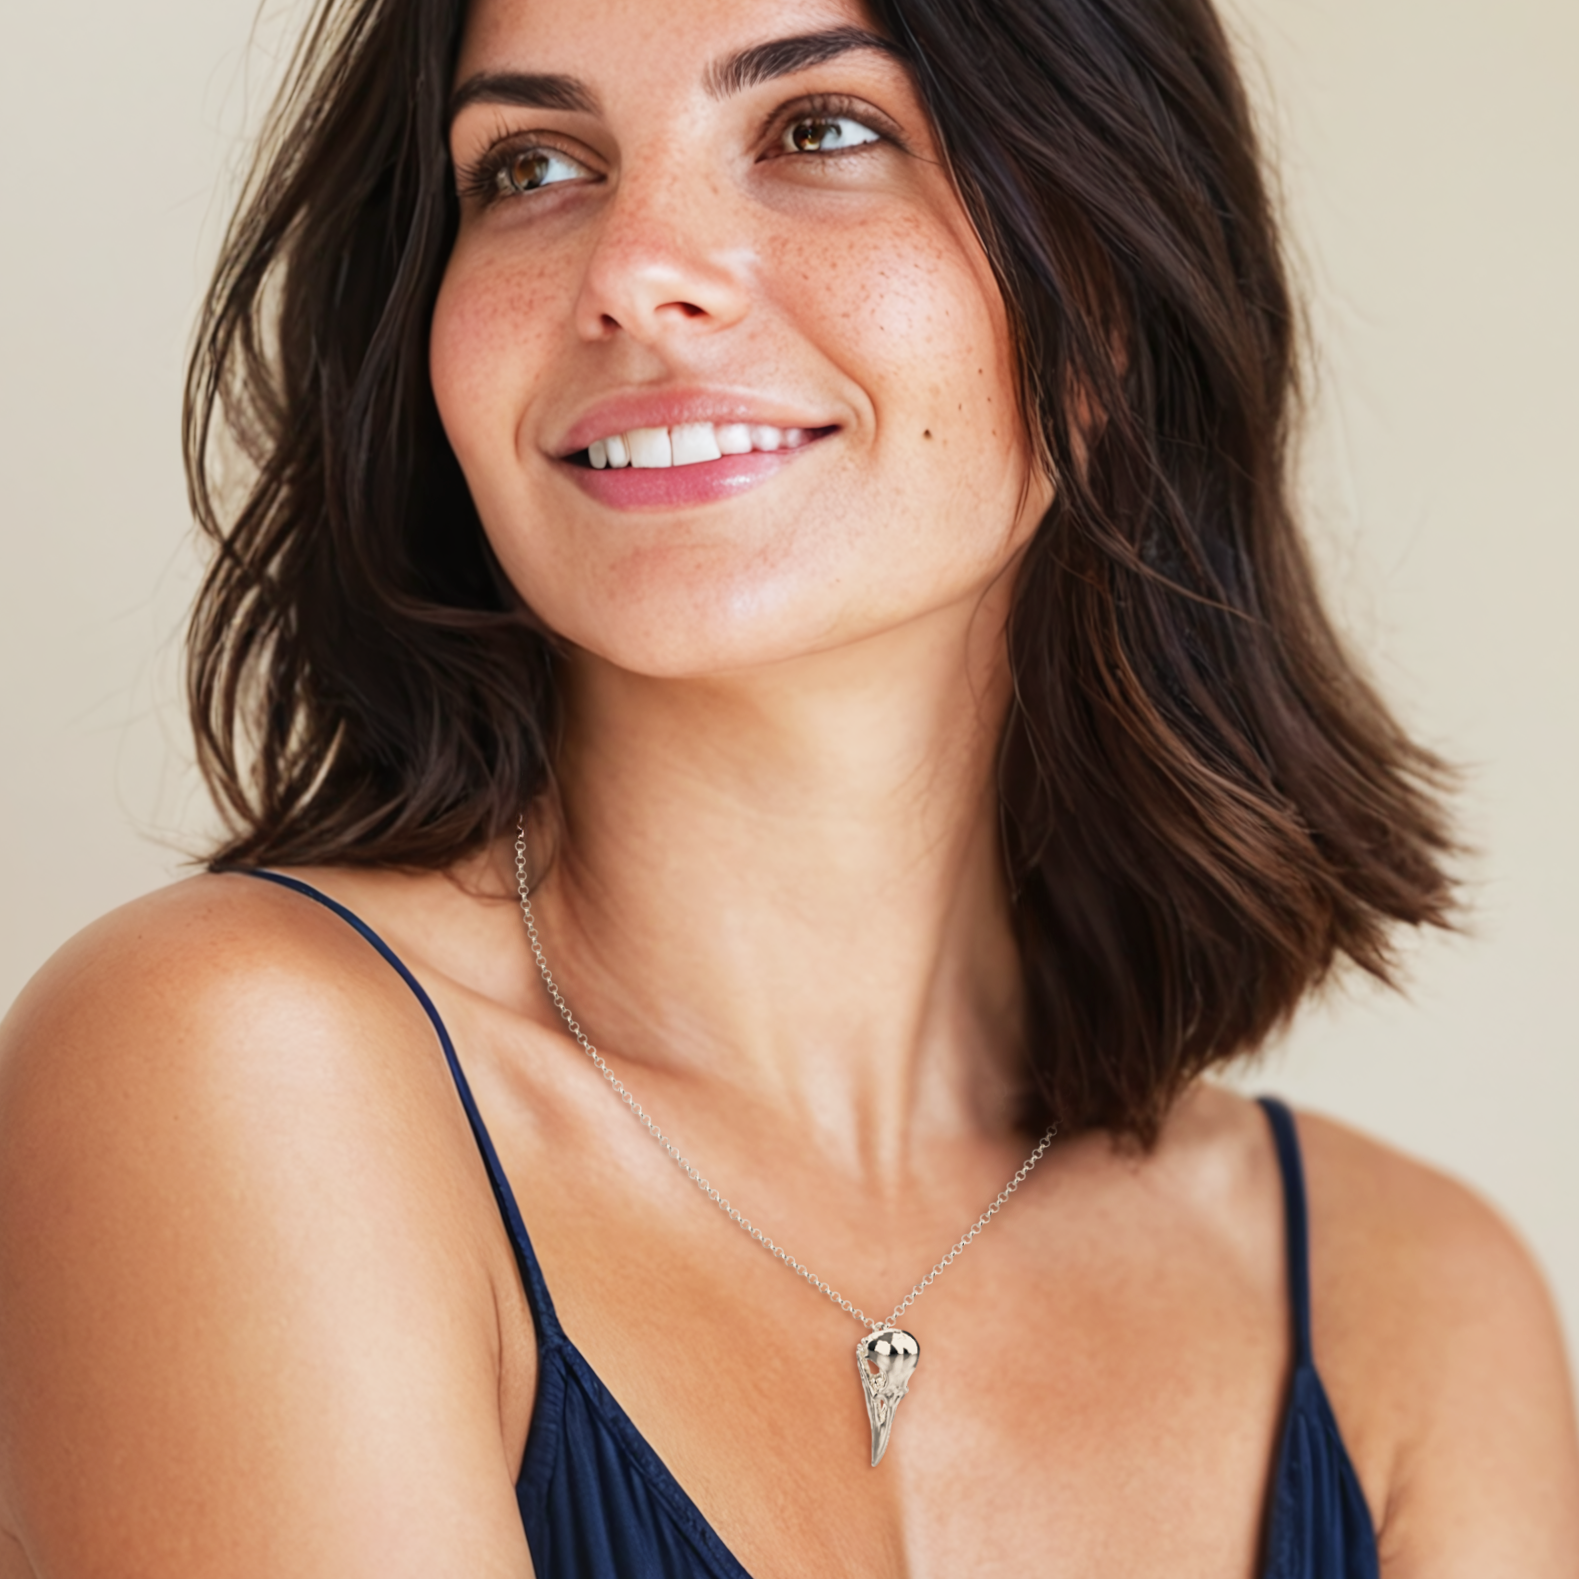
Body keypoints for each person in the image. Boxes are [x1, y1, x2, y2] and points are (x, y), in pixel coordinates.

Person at [1, 0, 1575, 1572]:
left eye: (821, 130)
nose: (631, 272)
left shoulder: (1413, 1303)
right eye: (532, 164)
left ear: (1107, 299)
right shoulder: (237, 1068)